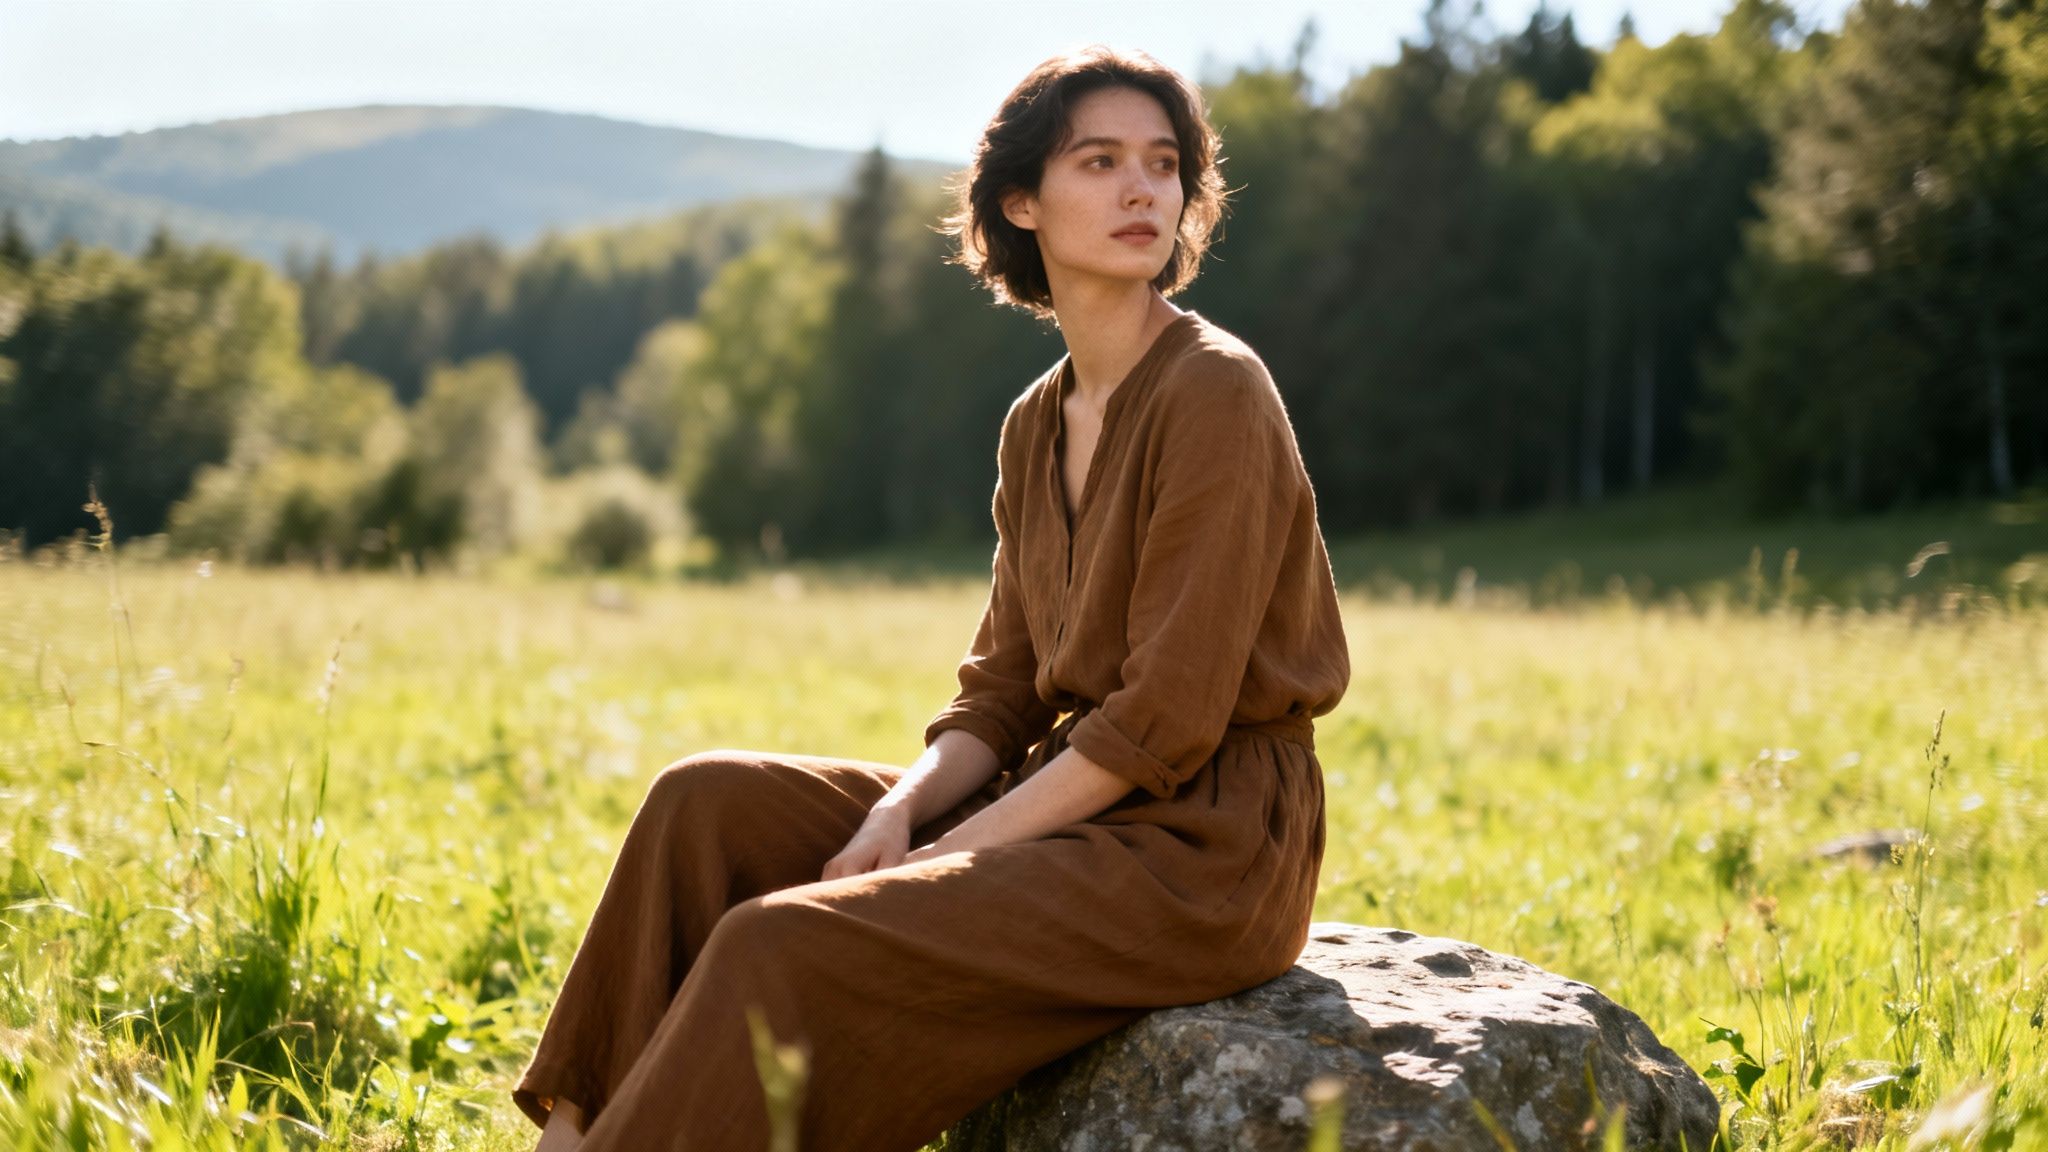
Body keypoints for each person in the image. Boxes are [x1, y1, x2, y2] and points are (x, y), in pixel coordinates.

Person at [514, 43, 1350, 1152]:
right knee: (703, 803)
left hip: (1207, 847)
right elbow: (1000, 691)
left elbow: (1169, 718)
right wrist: (898, 812)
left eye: (1162, 164)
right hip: (1075, 795)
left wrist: (947, 861)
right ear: (1020, 201)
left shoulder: (1215, 391)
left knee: (784, 940)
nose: (1142, 189)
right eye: (1098, 161)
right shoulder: (1033, 421)